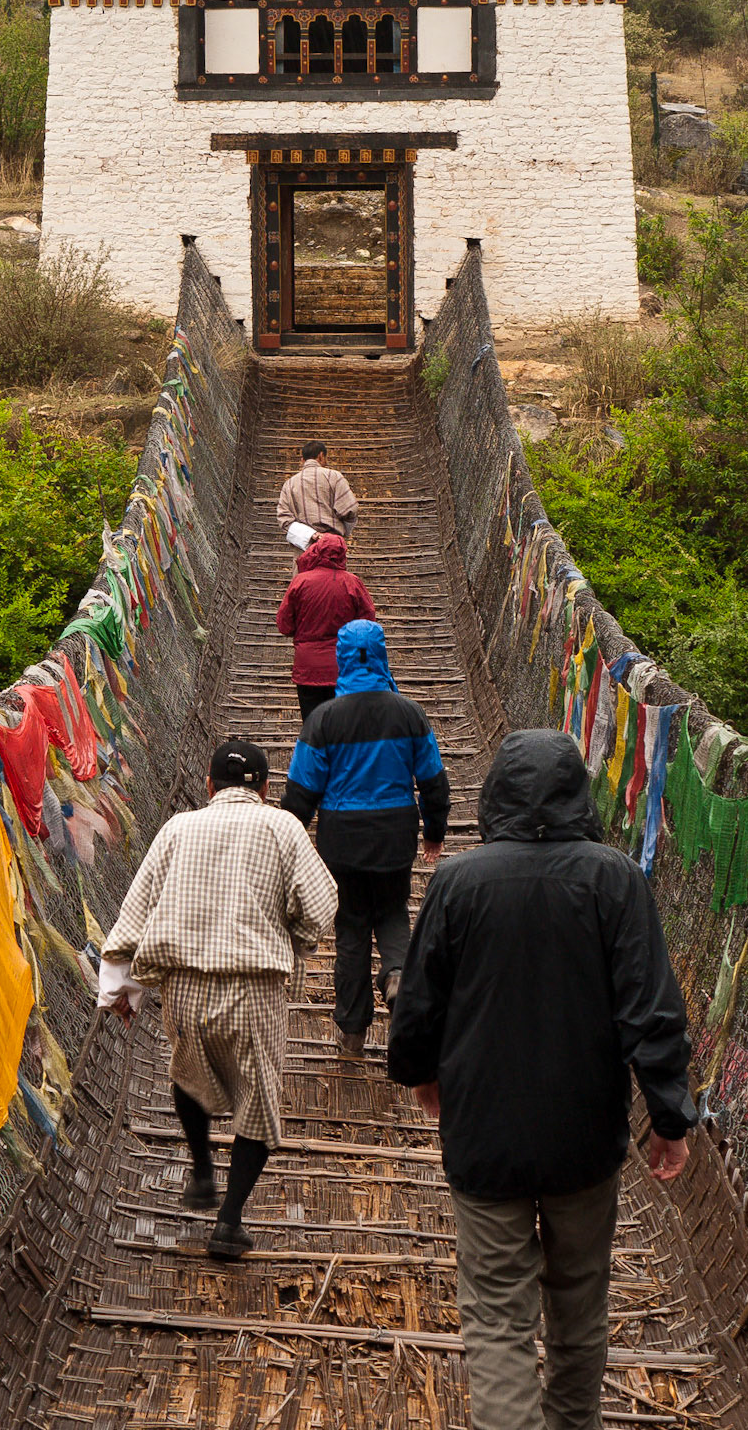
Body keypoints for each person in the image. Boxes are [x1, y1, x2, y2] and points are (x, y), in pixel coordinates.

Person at [386, 730, 697, 1430]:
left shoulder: (458, 881)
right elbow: (652, 1010)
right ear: (577, 795)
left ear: (493, 794)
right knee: (579, 1308)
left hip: (483, 1130)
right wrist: (670, 1118)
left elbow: (420, 1000)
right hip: (583, 1133)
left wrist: (420, 1072)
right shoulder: (615, 879)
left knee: (497, 1316)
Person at [97, 738, 337, 1260]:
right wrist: (293, 938)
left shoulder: (178, 829)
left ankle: (202, 1171)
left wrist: (119, 985)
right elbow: (320, 904)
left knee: (187, 1070)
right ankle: (229, 1222)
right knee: (258, 1097)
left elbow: (138, 906)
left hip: (185, 985)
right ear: (267, 789)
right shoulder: (284, 828)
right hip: (255, 988)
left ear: (208, 785)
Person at [281, 620, 449, 1057]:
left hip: (341, 838)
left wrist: (288, 834)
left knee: (351, 928)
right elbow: (433, 780)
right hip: (395, 832)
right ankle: (396, 974)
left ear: (341, 658)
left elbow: (302, 789)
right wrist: (434, 831)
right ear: (381, 655)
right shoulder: (408, 713)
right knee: (394, 912)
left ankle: (353, 1031)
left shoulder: (324, 719)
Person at [276, 534, 377, 721]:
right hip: (343, 666)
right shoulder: (352, 584)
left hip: (308, 668)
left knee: (313, 727)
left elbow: (284, 625)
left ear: (317, 551)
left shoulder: (300, 582)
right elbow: (367, 625)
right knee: (343, 726)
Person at [276, 441, 358, 546]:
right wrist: (343, 531)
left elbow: (283, 518)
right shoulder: (334, 477)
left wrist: (311, 534)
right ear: (321, 456)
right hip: (332, 547)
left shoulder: (290, 484)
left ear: (302, 460)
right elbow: (350, 509)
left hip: (304, 551)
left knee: (302, 563)